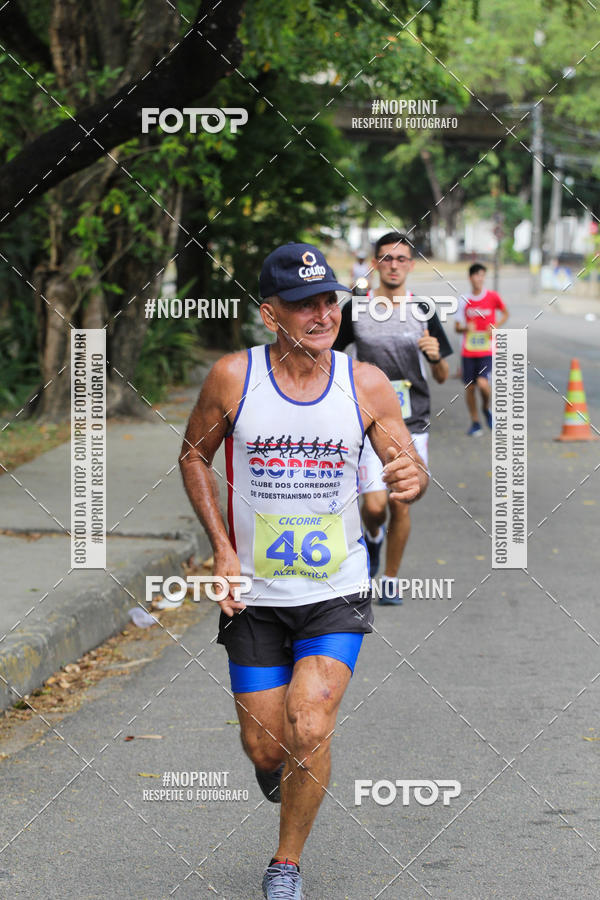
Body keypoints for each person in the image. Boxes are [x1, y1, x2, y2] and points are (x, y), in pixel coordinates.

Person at [179, 242, 428, 900]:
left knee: (310, 724)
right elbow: (192, 458)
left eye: (329, 301)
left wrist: (413, 476)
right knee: (267, 747)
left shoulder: (364, 383)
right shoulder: (235, 377)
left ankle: (285, 862)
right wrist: (221, 546)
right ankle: (283, 769)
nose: (321, 315)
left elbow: (407, 468)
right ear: (270, 313)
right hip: (254, 592)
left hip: (336, 589)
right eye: (303, 305)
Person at [333, 232, 452, 604]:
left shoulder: (425, 311)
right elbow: (330, 359)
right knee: (374, 507)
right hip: (367, 423)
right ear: (376, 264)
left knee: (402, 500)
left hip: (412, 421)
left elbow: (443, 375)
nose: (394, 265)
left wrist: (435, 357)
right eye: (387, 258)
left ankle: (390, 580)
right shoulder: (355, 309)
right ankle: (372, 537)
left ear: (411, 265)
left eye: (401, 259)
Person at [455, 262, 509, 436]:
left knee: (483, 384)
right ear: (470, 277)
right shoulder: (463, 300)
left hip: (487, 349)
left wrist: (495, 325)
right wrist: (465, 328)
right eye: (477, 275)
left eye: (482, 275)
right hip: (468, 350)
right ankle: (475, 421)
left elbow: (505, 313)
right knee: (470, 388)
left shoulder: (493, 297)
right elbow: (457, 327)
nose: (480, 278)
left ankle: (486, 408)